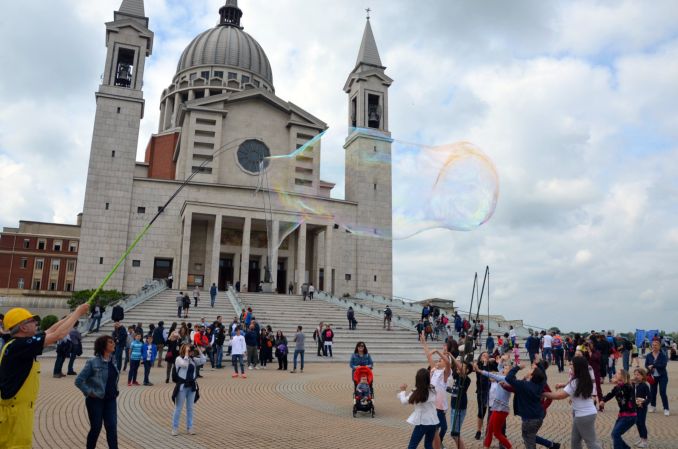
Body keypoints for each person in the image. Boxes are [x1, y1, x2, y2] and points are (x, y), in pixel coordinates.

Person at [0, 304, 89, 449]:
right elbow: (57, 335)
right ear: (22, 327)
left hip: (16, 409)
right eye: (31, 321)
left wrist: (70, 315)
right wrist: (78, 313)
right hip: (15, 412)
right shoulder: (19, 346)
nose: (36, 323)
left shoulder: (18, 343)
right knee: (17, 445)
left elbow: (51, 330)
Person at [543, 356, 602, 449]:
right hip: (584, 414)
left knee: (591, 442)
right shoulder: (585, 379)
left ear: (577, 367)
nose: (570, 367)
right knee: (575, 441)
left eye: (572, 365)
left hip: (584, 416)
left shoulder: (575, 382)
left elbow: (559, 396)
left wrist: (544, 393)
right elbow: (575, 391)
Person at [75, 335, 119, 449]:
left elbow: (112, 379)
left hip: (110, 400)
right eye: (110, 342)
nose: (113, 343)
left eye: (113, 342)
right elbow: (79, 381)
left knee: (112, 428)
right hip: (95, 401)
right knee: (96, 428)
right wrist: (89, 392)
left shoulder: (113, 360)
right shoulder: (92, 362)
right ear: (103, 345)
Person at [505, 361, 546, 449]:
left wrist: (518, 367)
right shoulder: (540, 384)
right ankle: (551, 445)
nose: (530, 371)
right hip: (539, 417)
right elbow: (544, 376)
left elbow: (508, 378)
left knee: (529, 442)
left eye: (531, 371)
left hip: (529, 420)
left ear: (532, 376)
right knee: (530, 437)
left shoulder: (523, 385)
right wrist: (539, 363)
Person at [421, 334, 451, 449]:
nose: (438, 361)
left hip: (440, 407)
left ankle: (438, 443)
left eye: (440, 360)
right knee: (435, 428)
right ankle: (435, 445)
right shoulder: (434, 370)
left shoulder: (445, 374)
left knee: (443, 428)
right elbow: (428, 356)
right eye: (438, 360)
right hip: (432, 406)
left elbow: (448, 363)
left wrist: (440, 353)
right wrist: (424, 342)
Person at [398, 368, 439, 449]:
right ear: (428, 379)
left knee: (412, 446)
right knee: (428, 445)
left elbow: (404, 401)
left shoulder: (416, 392)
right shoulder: (433, 390)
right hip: (433, 421)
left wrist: (403, 391)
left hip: (422, 423)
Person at [171, 344, 206, 436]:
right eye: (189, 351)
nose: (191, 352)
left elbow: (203, 360)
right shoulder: (179, 359)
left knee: (190, 408)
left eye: (191, 351)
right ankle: (175, 428)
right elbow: (184, 365)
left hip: (192, 386)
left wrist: (199, 350)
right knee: (178, 408)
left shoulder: (193, 359)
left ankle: (190, 428)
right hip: (182, 387)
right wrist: (186, 353)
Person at [600, 369, 636, 449]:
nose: (615, 374)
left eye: (618, 373)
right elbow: (610, 394)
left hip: (630, 416)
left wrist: (619, 383)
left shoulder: (628, 386)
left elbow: (624, 391)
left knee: (616, 434)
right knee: (614, 434)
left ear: (622, 376)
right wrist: (603, 400)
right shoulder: (617, 387)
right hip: (622, 415)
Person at [645, 339, 669, 415]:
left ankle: (666, 408)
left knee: (662, 392)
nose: (654, 346)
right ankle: (653, 406)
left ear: (659, 346)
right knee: (652, 392)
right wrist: (648, 367)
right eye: (653, 345)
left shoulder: (663, 355)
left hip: (662, 376)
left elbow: (663, 365)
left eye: (656, 345)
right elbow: (646, 364)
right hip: (653, 376)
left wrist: (654, 365)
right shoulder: (649, 355)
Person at [633, 368, 650, 448]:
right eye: (635, 374)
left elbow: (649, 397)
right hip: (635, 407)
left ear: (643, 376)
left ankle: (645, 441)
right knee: (637, 423)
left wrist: (643, 403)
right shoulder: (634, 384)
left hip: (642, 408)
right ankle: (641, 438)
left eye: (638, 375)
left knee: (642, 423)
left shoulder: (644, 385)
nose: (636, 376)